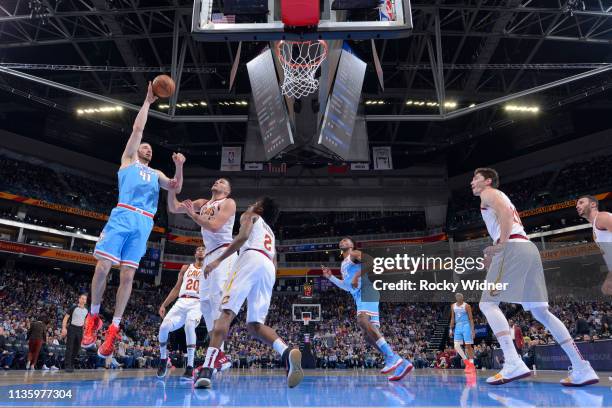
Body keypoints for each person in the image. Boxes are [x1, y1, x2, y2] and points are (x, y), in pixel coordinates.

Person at [81, 82, 186, 359]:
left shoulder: (156, 174)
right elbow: (138, 130)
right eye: (146, 147)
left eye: (151, 149)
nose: (148, 149)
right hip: (123, 215)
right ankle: (93, 317)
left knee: (128, 275)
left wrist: (178, 166)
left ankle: (114, 328)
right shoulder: (128, 161)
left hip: (144, 222)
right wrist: (148, 103)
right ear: (138, 150)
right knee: (103, 266)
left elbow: (175, 186)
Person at [471, 167, 598, 386]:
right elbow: (504, 219)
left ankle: (513, 362)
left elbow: (502, 213)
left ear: (488, 180)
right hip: (527, 248)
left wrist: (501, 245)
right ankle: (581, 366)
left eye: (476, 178)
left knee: (488, 304)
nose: (472, 182)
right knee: (541, 312)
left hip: (512, 247)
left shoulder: (489, 194)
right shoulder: (499, 196)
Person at [194, 197, 303, 389]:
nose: (251, 203)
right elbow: (275, 263)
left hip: (250, 258)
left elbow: (242, 237)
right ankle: (286, 352)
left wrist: (218, 260)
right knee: (255, 325)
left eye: (255, 202)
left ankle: (207, 369)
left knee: (226, 313)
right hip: (269, 268)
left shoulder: (250, 215)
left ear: (259, 208)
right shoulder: (271, 233)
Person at [167, 178, 236, 371]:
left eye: (222, 181)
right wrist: (172, 188)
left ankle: (218, 355)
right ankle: (219, 355)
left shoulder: (228, 203)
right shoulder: (202, 203)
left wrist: (192, 215)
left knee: (217, 302)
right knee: (204, 303)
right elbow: (173, 207)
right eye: (216, 179)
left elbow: (214, 226)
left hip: (224, 253)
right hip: (209, 256)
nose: (217, 181)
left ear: (227, 191)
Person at [322, 237, 412, 381]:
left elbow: (371, 262)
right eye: (342, 240)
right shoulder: (343, 264)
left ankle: (391, 357)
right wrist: (331, 277)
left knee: (362, 320)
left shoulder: (354, 254)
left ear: (352, 245)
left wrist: (357, 275)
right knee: (367, 337)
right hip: (359, 296)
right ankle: (401, 362)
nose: (343, 241)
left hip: (367, 291)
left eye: (347, 240)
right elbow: (347, 287)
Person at [156, 246, 205, 380]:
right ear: (195, 253)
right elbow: (177, 288)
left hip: (197, 303)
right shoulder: (185, 268)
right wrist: (164, 304)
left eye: (204, 249)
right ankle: (163, 359)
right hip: (181, 301)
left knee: (189, 325)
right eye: (199, 249)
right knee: (164, 327)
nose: (201, 250)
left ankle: (189, 366)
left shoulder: (209, 269)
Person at [576, 195, 612, 295]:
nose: (577, 206)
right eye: (577, 204)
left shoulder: (602, 217)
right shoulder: (595, 225)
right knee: (606, 289)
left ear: (593, 204)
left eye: (581, 202)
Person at [449, 293, 476, 373]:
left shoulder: (467, 306)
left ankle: (472, 365)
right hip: (458, 326)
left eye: (460, 297)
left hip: (466, 325)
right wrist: (450, 329)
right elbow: (452, 318)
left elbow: (471, 319)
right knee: (456, 346)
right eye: (457, 297)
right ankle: (467, 363)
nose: (459, 298)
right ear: (456, 298)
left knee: (468, 346)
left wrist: (472, 330)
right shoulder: (453, 306)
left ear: (462, 298)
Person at [62, 293, 88, 372]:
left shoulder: (86, 310)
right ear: (79, 299)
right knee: (69, 347)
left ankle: (71, 364)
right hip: (72, 328)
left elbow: (85, 321)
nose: (83, 300)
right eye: (82, 298)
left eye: (85, 299)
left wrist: (86, 330)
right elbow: (66, 318)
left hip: (80, 330)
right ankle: (67, 365)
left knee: (77, 348)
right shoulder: (73, 307)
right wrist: (64, 328)